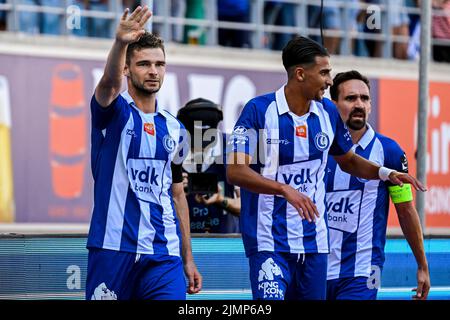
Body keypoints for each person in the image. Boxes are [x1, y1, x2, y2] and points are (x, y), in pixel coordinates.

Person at [226, 35, 426, 300]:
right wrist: (284, 189)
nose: (329, 80)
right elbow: (235, 171)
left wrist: (386, 173)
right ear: (300, 74)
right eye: (324, 73)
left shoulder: (327, 113)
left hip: (316, 245)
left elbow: (349, 160)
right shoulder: (258, 111)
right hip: (269, 242)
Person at [85, 5, 202, 300]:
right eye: (143, 64)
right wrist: (121, 43)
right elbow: (109, 85)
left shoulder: (175, 129)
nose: (153, 71)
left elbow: (177, 194)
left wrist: (187, 257)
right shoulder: (113, 112)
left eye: (159, 64)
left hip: (163, 255)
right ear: (127, 68)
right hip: (113, 249)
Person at [325, 70, 430, 300]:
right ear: (333, 105)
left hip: (364, 270)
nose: (359, 104)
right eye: (351, 98)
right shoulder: (319, 146)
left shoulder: (389, 151)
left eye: (364, 98)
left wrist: (422, 265)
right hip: (316, 266)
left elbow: (405, 210)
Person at [177, 98, 240, 234]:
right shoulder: (171, 151)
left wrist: (220, 200)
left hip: (227, 246)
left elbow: (249, 211)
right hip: (181, 244)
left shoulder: (231, 148)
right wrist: (173, 192)